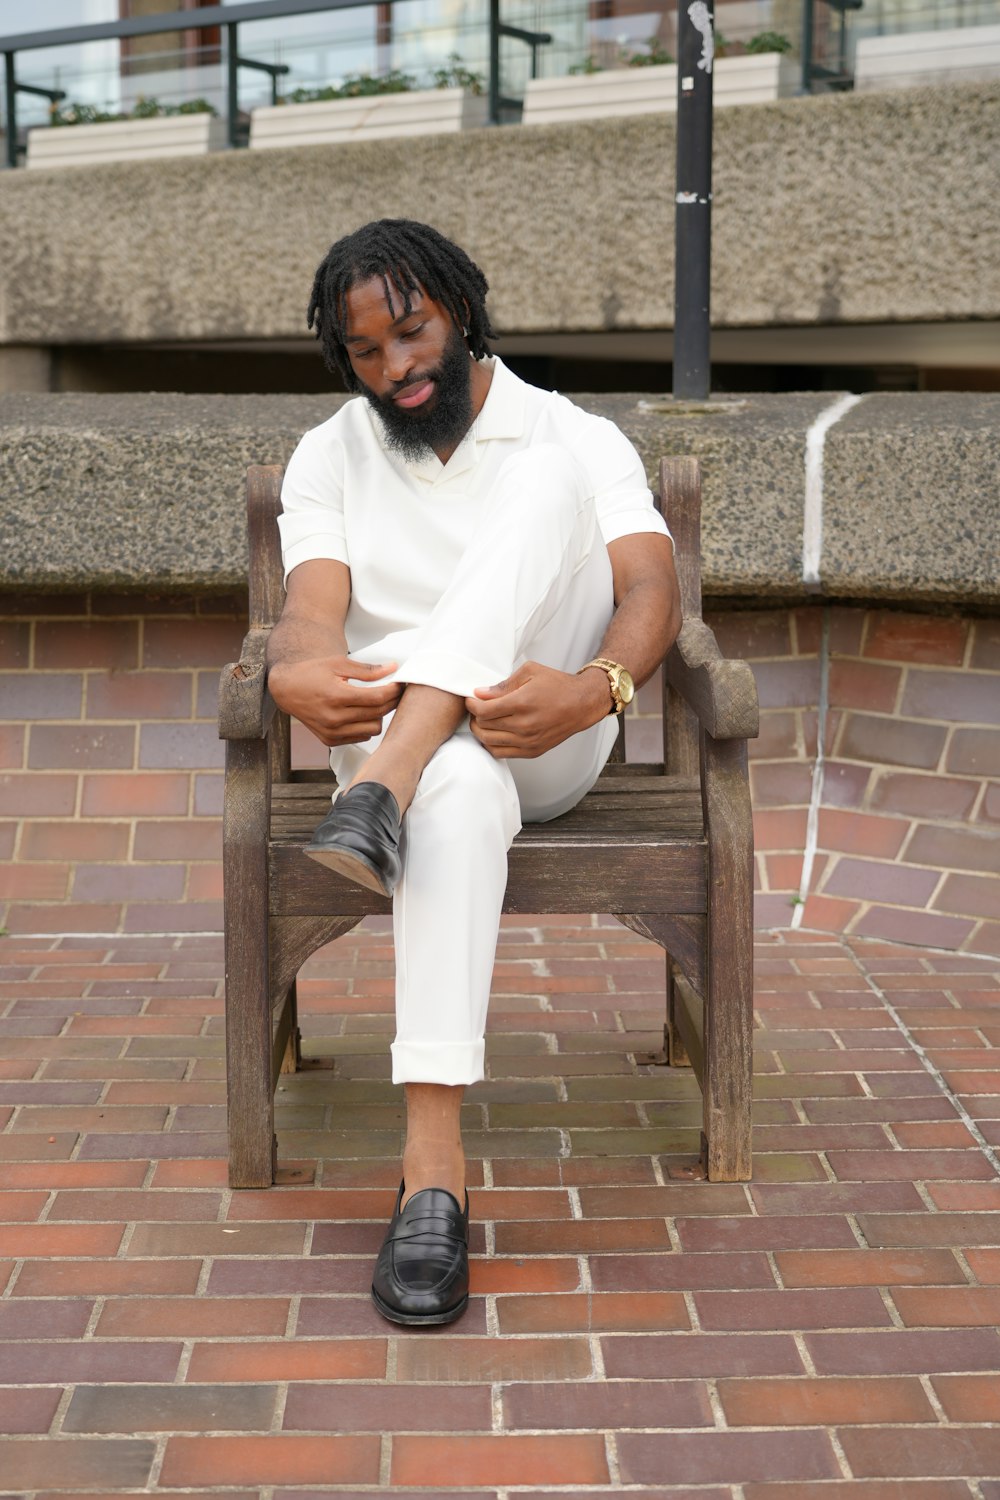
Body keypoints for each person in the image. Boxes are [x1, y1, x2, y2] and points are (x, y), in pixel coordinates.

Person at [267, 218, 681, 1327]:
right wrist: (294, 675)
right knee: (443, 790)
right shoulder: (329, 455)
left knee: (544, 489)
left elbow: (648, 592)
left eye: (412, 334)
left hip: (542, 729)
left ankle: (386, 778)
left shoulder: (568, 435)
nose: (395, 370)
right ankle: (434, 1171)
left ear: (458, 309)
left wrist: (593, 690)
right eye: (365, 352)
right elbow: (309, 616)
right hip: (431, 768)